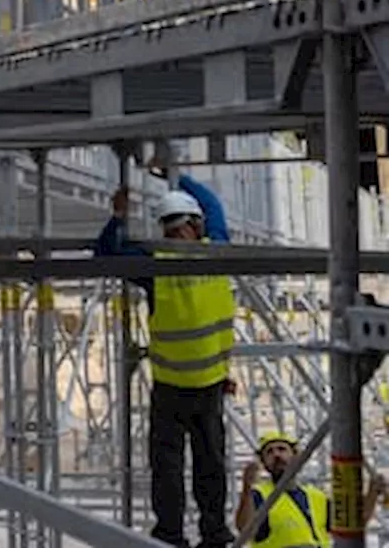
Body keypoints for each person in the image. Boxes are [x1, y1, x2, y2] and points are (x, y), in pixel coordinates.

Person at [95, 168, 236, 548]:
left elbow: (105, 254)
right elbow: (214, 205)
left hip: (173, 387)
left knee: (169, 466)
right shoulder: (216, 250)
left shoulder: (156, 264)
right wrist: (176, 175)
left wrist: (119, 216)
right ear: (197, 225)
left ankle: (171, 536)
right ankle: (213, 534)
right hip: (207, 385)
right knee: (209, 465)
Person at [235, 432, 386, 546]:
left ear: (295, 456)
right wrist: (247, 488)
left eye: (282, 449)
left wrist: (372, 493)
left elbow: (353, 522)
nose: (276, 455)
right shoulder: (258, 496)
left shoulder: (316, 496)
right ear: (263, 463)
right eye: (269, 452)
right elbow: (245, 530)